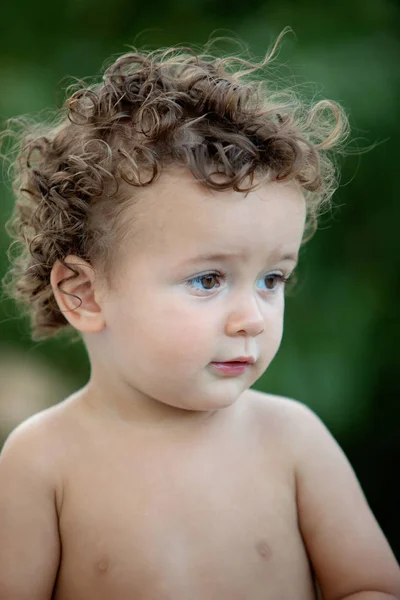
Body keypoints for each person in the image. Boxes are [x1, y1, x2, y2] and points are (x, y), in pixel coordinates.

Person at [1, 31, 399, 600]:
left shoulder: (291, 442)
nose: (253, 319)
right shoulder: (43, 462)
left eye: (272, 279)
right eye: (208, 280)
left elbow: (370, 586)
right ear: (84, 294)